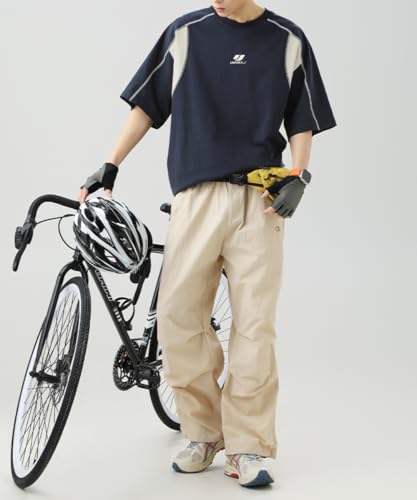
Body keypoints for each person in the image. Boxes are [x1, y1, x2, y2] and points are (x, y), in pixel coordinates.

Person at [79, 0, 337, 488]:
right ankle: (202, 432)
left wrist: (299, 176)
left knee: (255, 325)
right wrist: (111, 163)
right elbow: (147, 105)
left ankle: (248, 445)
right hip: (195, 197)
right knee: (177, 318)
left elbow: (301, 119)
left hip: (260, 201)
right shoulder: (185, 33)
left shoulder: (288, 40)